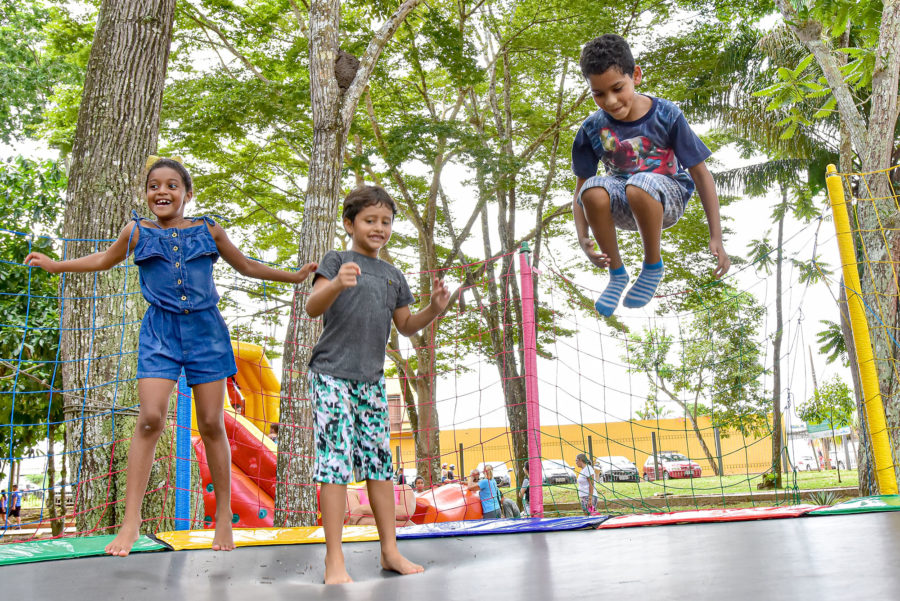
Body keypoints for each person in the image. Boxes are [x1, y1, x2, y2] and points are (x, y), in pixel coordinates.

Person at [25, 157, 317, 556]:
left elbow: (247, 266)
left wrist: (295, 276)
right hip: (160, 333)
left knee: (213, 422)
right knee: (150, 419)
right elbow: (102, 260)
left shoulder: (208, 229)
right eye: (153, 186)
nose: (161, 191)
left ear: (187, 193)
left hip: (206, 332)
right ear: (146, 194)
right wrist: (57, 265)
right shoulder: (136, 231)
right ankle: (131, 523)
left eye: (172, 185)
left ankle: (225, 520)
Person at [305, 185, 450, 584]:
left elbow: (405, 325)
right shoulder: (337, 260)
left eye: (386, 221)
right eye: (370, 220)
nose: (379, 227)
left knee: (379, 465)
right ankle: (334, 560)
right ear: (350, 223)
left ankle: (390, 551)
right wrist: (335, 283)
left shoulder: (392, 275)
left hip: (370, 382)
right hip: (331, 375)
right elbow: (312, 305)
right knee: (334, 463)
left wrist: (433, 310)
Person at [571, 34, 730, 317]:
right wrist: (582, 237)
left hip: (665, 198)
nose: (610, 101)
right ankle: (617, 274)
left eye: (617, 88)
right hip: (621, 203)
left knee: (639, 183)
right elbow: (580, 188)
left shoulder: (666, 114)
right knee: (593, 189)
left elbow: (701, 173)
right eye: (599, 94)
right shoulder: (592, 128)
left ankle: (652, 266)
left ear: (637, 75)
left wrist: (715, 235)